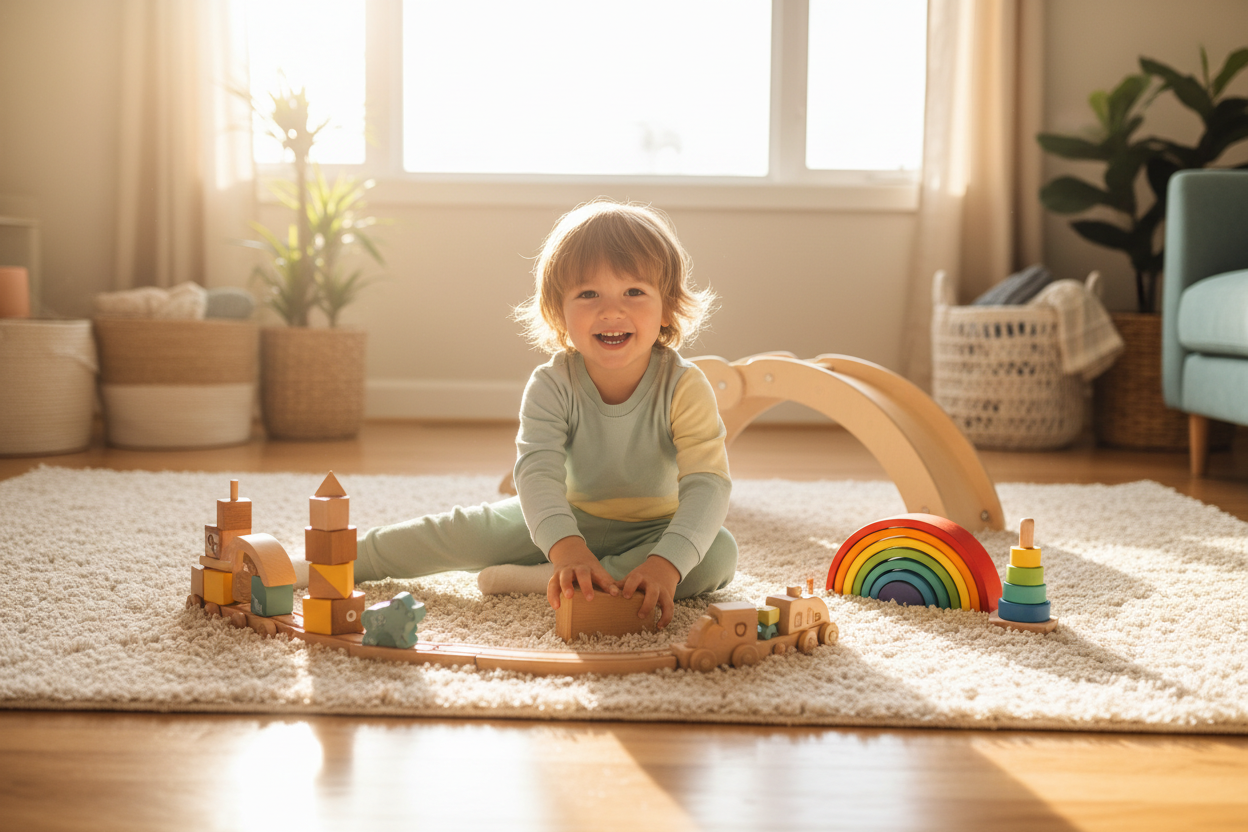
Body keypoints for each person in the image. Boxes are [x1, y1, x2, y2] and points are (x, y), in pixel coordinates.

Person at [351, 200, 737, 628]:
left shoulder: (685, 385)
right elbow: (536, 473)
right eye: (588, 294)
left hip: (652, 529)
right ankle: (335, 559)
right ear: (559, 311)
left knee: (717, 553)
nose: (612, 310)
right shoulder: (552, 383)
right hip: (561, 518)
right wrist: (566, 548)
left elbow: (708, 483)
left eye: (634, 292)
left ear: (666, 306)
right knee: (454, 531)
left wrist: (666, 563)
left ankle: (543, 581)